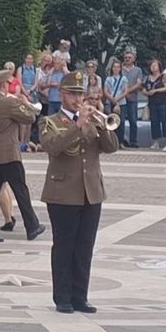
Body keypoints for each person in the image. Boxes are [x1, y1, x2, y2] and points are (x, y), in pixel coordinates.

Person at [39, 70, 118, 314]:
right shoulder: (49, 121)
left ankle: (80, 296)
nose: (77, 99)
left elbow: (111, 147)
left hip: (91, 192)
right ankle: (62, 296)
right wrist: (77, 125)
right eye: (72, 94)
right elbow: (53, 147)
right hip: (63, 192)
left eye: (80, 94)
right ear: (61, 94)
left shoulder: (94, 121)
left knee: (85, 247)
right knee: (64, 246)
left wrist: (103, 126)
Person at [0, 68, 45, 243]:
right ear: (3, 84)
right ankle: (32, 227)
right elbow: (30, 118)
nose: (10, 85)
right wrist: (24, 102)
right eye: (9, 83)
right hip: (8, 154)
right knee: (21, 191)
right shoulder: (8, 103)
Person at [119, 51, 143, 147]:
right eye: (126, 57)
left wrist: (127, 91)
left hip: (132, 98)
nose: (127, 59)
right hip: (121, 99)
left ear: (134, 59)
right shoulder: (120, 70)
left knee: (133, 120)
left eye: (129, 57)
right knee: (121, 121)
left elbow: (138, 84)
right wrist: (124, 93)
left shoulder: (138, 70)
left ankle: (133, 141)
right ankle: (121, 141)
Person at [142, 59, 166, 149]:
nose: (153, 67)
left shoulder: (163, 77)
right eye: (152, 65)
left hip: (162, 102)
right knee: (154, 122)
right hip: (152, 103)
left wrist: (156, 90)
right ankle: (156, 142)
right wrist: (146, 93)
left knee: (165, 122)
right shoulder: (147, 78)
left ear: (159, 67)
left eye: (155, 65)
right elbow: (143, 89)